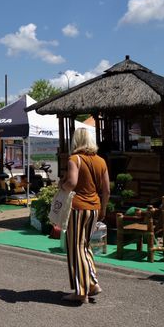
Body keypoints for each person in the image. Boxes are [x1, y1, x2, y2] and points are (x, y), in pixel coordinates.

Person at [59, 127, 110, 304]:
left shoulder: (75, 159)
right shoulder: (101, 161)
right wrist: (103, 209)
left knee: (76, 247)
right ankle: (92, 283)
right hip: (94, 207)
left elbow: (72, 182)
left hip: (78, 208)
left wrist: (61, 187)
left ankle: (81, 292)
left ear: (76, 141)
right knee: (85, 246)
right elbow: (107, 190)